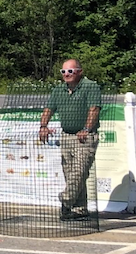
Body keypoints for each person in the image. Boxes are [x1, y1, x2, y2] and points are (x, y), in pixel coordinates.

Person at [38, 59, 102, 221]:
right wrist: (43, 126)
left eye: (70, 71)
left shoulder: (90, 86)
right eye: (63, 72)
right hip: (66, 136)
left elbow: (93, 109)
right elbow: (48, 109)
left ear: (79, 72)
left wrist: (86, 129)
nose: (66, 74)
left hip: (85, 137)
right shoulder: (59, 90)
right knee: (69, 173)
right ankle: (79, 209)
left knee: (79, 172)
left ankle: (65, 200)